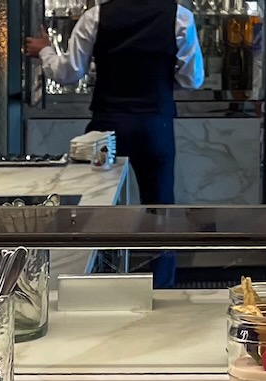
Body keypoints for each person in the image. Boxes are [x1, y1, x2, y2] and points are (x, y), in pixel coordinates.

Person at [28, 2, 204, 285]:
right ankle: (161, 287)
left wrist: (45, 50)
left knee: (96, 206)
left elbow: (69, 73)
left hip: (107, 126)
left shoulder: (95, 17)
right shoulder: (179, 17)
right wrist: (158, 76)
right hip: (154, 124)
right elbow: (192, 78)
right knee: (160, 208)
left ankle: (94, 283)